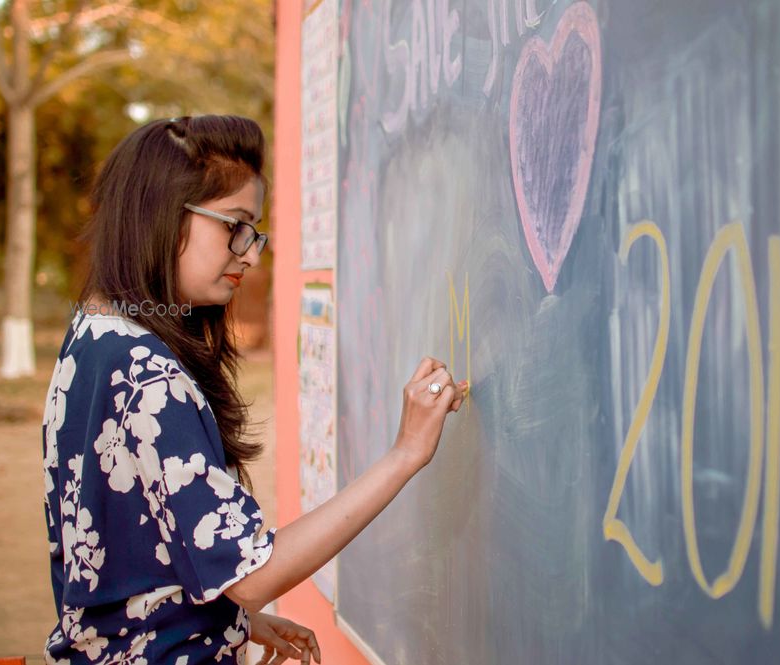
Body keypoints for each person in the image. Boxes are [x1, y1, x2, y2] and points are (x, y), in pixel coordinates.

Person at [41, 115, 468, 664]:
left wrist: (224, 622)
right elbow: (253, 574)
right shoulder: (147, 372)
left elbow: (132, 547)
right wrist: (407, 452)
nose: (251, 252)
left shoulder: (93, 335)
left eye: (256, 232)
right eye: (235, 226)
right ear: (163, 215)